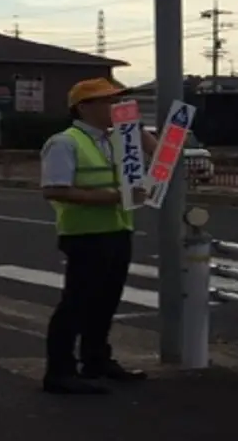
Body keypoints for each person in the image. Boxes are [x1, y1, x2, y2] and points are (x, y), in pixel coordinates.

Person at [38, 77, 161, 396]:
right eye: (109, 101)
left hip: (118, 229)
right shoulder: (65, 142)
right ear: (84, 107)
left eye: (119, 101)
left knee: (106, 303)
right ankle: (60, 371)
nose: (117, 107)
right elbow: (54, 189)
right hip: (85, 234)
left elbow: (162, 159)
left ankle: (96, 360)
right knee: (76, 304)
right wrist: (112, 197)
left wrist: (137, 129)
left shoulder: (117, 140)